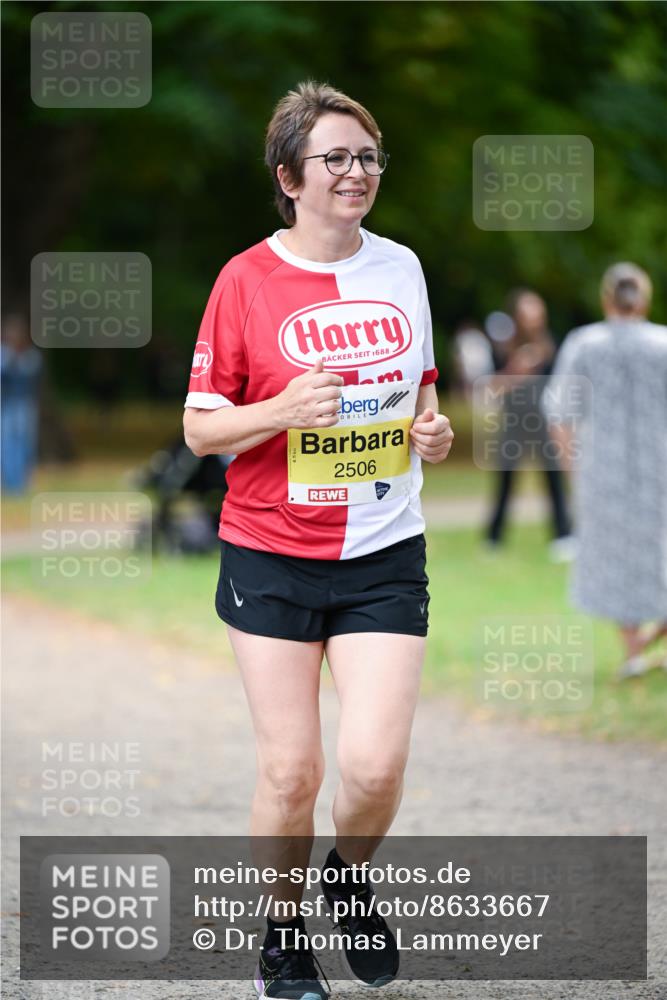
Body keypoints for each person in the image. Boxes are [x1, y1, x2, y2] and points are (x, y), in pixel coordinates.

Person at [183, 82, 454, 999]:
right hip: (269, 552)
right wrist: (281, 410)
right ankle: (281, 941)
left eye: (368, 156)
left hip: (383, 550)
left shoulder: (403, 268)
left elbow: (419, 386)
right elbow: (199, 432)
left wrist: (433, 429)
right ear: (287, 177)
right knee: (291, 769)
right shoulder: (243, 280)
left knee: (373, 767)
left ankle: (345, 869)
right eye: (335, 157)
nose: (356, 172)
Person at [542, 262, 667, 679]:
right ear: (645, 297)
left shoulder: (585, 343)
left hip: (601, 467)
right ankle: (649, 642)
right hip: (659, 466)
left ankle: (633, 648)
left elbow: (559, 412)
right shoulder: (663, 343)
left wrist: (571, 464)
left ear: (606, 298)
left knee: (615, 558)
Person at [485, 289, 573, 560]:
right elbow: (493, 387)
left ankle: (563, 535)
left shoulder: (550, 346)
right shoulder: (503, 349)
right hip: (514, 420)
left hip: (544, 421)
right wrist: (517, 369)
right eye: (528, 312)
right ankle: (494, 538)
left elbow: (561, 386)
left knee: (553, 477)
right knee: (506, 479)